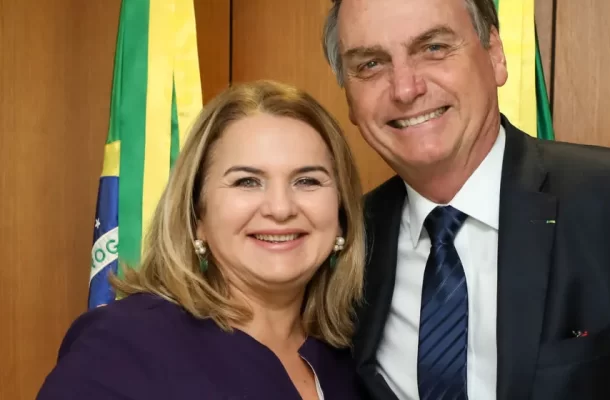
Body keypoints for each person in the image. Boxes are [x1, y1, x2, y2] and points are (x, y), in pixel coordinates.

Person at [322, 0, 610, 399]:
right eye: (370, 65)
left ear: (495, 54)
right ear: (349, 98)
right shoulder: (346, 242)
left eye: (434, 48)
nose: (406, 88)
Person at [37, 80, 368, 400]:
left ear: (341, 213)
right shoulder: (122, 348)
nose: (280, 209)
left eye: (307, 181)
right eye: (247, 182)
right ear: (197, 215)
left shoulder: (357, 359)